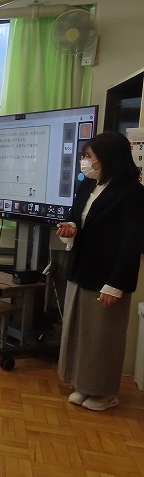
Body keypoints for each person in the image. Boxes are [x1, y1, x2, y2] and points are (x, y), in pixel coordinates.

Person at [55, 131, 144, 411]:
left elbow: (132, 241)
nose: (84, 161)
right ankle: (83, 384)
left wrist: (116, 284)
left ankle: (105, 393)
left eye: (88, 156)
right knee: (79, 331)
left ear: (107, 158)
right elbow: (76, 219)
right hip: (80, 269)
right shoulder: (87, 186)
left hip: (107, 276)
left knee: (102, 336)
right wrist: (70, 229)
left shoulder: (133, 192)